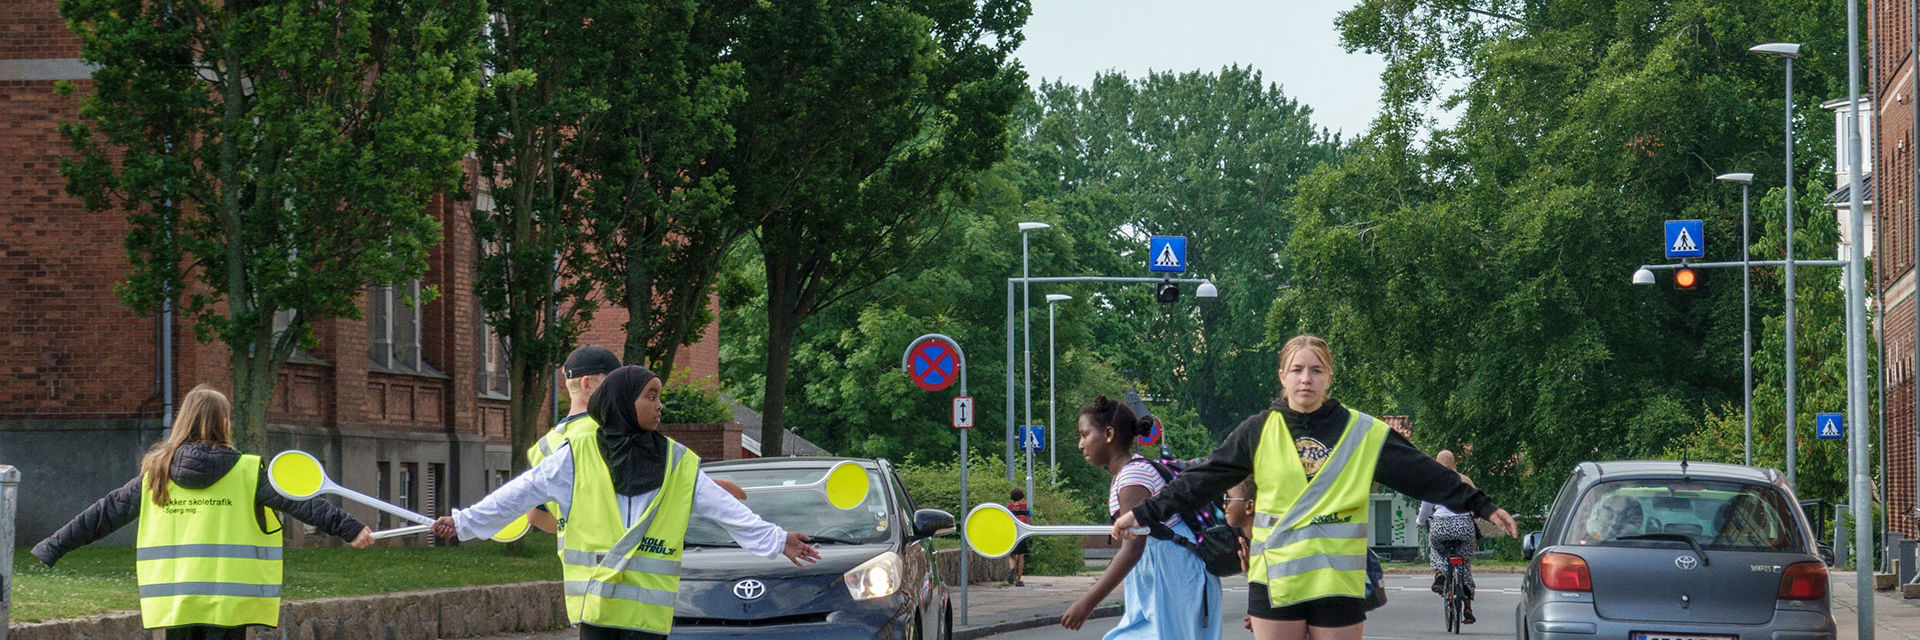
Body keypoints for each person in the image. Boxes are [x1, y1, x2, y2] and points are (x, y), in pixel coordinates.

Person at [1113, 335, 1519, 640]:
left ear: (1328, 377)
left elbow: (1424, 473)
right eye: (1297, 370)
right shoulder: (1258, 430)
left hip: (1336, 583)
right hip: (1276, 580)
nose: (1306, 379)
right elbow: (1202, 480)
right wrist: (1142, 513)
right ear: (1282, 376)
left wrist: (1481, 505)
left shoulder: (1362, 431)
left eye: (1316, 370)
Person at [429, 365, 821, 639]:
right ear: (621, 401)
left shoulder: (676, 460)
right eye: (650, 396)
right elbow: (519, 494)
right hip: (597, 610)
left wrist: (776, 539)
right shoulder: (576, 453)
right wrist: (464, 523)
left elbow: (723, 508)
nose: (659, 405)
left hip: (647, 617)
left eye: (659, 397)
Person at [31, 385, 375, 640]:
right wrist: (349, 528)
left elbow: (104, 514)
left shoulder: (157, 474)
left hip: (178, 600)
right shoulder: (247, 471)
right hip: (230, 604)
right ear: (223, 422)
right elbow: (301, 502)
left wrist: (53, 546)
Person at [1061, 395, 1222, 639]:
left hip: (1173, 573)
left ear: (1108, 434)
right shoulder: (1131, 472)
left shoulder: (1132, 477)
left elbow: (1133, 547)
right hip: (1162, 573)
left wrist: (1087, 603)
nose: (1080, 445)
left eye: (1085, 434)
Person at [525, 345, 623, 535]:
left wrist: (576, 533)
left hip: (574, 563)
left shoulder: (544, 446)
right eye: (613, 383)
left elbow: (534, 514)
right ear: (588, 384)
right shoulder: (612, 432)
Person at [1417, 449, 1479, 623]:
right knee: (1464, 563)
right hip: (1463, 527)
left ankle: (1439, 574)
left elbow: (1425, 511)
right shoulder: (1465, 481)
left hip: (1441, 526)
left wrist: (1420, 521)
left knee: (1435, 548)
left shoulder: (1432, 483)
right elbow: (1477, 504)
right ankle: (1467, 608)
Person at [1007, 488, 1031, 586]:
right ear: (1022, 497)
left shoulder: (1008, 509)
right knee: (1021, 557)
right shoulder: (1026, 509)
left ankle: (1012, 568)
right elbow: (1030, 520)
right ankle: (1018, 580)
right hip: (1022, 533)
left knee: (1012, 556)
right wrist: (1030, 532)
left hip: (1012, 534)